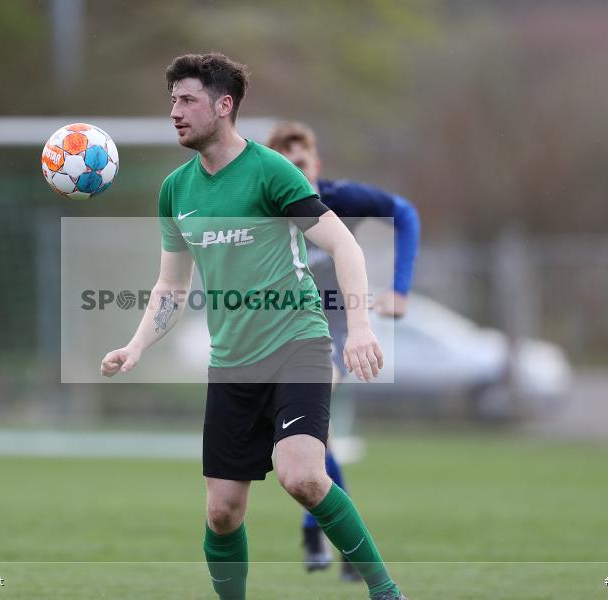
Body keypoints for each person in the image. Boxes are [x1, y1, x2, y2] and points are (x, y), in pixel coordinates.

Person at [100, 53, 406, 600]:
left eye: (187, 100)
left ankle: (385, 592)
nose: (175, 111)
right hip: (231, 362)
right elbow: (171, 286)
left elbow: (343, 244)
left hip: (298, 345)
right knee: (221, 512)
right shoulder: (175, 190)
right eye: (172, 100)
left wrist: (359, 328)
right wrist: (136, 344)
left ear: (225, 105)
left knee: (304, 477)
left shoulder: (270, 171)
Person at [267, 122, 420, 581]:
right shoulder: (266, 205)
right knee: (317, 436)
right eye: (286, 163)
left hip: (330, 327)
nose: (297, 170)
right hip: (283, 329)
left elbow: (405, 213)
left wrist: (400, 290)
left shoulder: (341, 199)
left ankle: (321, 530)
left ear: (316, 165)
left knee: (315, 418)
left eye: (303, 162)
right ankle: (325, 529)